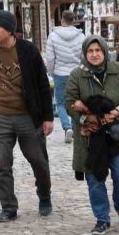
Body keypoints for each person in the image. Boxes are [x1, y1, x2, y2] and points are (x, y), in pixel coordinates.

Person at [0, 10, 54, 222]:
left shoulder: (28, 51)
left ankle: (44, 196)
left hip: (28, 116)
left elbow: (42, 84)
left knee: (38, 161)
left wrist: (47, 117)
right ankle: (8, 207)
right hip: (0, 116)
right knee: (1, 164)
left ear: (10, 30)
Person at [65, 36, 119, 235]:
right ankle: (102, 219)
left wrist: (118, 112)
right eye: (90, 51)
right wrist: (84, 120)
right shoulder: (77, 75)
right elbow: (69, 102)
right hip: (91, 138)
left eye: (98, 50)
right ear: (85, 53)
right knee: (95, 180)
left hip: (118, 136)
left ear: (105, 51)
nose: (94, 54)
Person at [44, 9, 85, 143]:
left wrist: (51, 71)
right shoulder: (81, 36)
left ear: (62, 19)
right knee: (75, 102)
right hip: (76, 73)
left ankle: (67, 128)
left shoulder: (53, 36)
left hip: (59, 73)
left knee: (60, 103)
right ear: (73, 20)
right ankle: (74, 127)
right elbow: (84, 57)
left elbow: (50, 58)